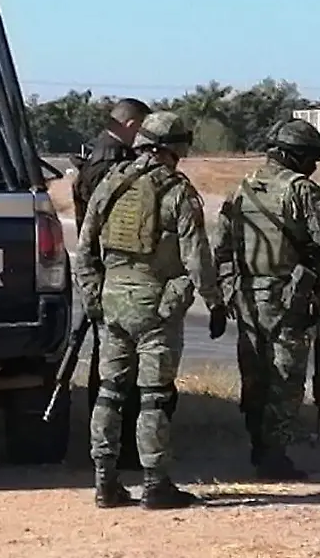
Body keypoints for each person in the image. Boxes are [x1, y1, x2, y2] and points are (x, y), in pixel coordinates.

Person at [74, 110, 228, 510]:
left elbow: (85, 249)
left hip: (112, 302)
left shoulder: (111, 183)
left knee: (109, 393)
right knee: (154, 397)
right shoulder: (177, 191)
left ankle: (105, 482)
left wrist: (94, 298)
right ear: (172, 149)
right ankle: (155, 484)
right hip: (157, 307)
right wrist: (214, 302)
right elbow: (197, 258)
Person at [213, 118, 320, 481]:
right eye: (313, 157)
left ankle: (259, 445)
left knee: (254, 372)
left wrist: (226, 291)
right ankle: (273, 456)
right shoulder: (302, 190)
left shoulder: (242, 187)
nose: (316, 164)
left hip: (246, 294)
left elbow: (221, 246)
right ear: (294, 156)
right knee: (285, 378)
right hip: (288, 296)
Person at [69, 97, 163, 472]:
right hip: (112, 273)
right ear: (132, 125)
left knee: (114, 365)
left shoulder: (102, 153)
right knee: (117, 369)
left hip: (107, 272)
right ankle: (115, 448)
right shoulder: (110, 161)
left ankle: (113, 446)